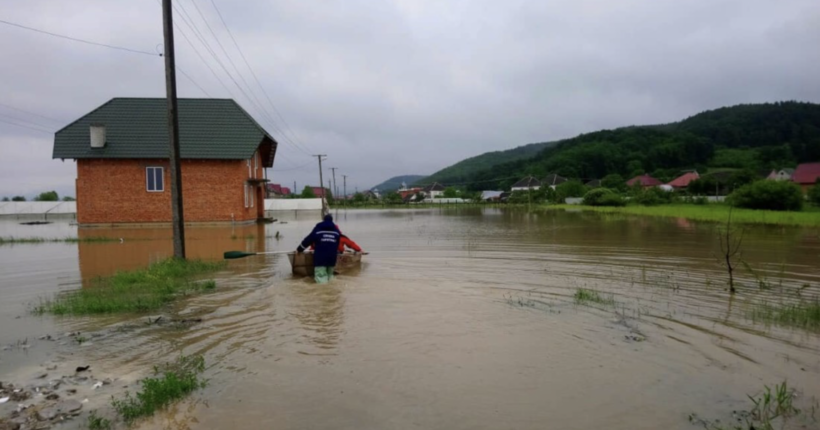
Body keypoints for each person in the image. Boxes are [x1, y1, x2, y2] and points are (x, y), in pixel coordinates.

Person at [296, 214, 341, 284]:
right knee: (330, 277)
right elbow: (338, 245)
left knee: (321, 279)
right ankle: (333, 293)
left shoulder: (318, 230)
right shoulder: (336, 232)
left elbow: (308, 240)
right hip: (332, 259)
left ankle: (323, 294)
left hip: (320, 259)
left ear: (323, 220)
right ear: (332, 221)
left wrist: (299, 249)